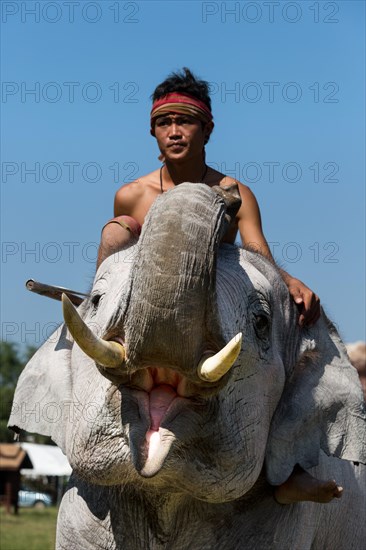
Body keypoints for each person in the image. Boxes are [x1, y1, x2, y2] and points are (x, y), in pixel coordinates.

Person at [97, 67, 343, 504]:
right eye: (164, 122)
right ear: (152, 131)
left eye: (185, 121)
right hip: (144, 323)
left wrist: (291, 282)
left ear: (207, 129)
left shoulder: (234, 192)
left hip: (219, 326)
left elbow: (257, 254)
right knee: (115, 232)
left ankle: (287, 471)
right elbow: (118, 268)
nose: (175, 131)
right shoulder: (131, 196)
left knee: (298, 344)